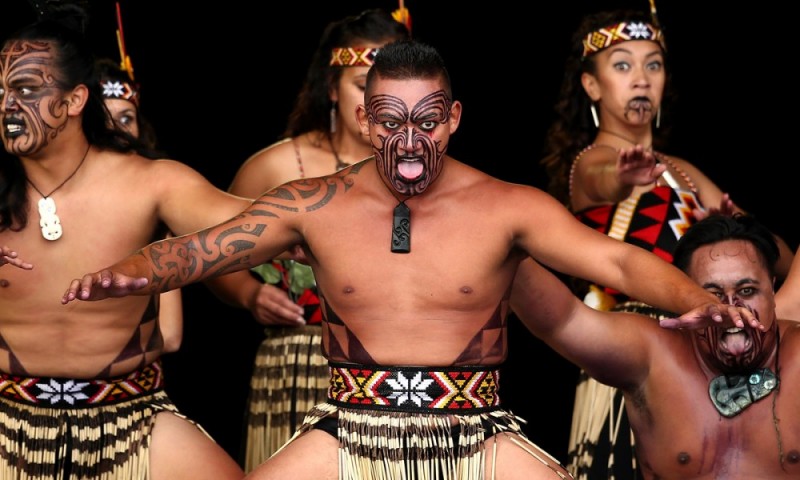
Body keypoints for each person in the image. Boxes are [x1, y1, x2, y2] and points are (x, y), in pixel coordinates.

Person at [62, 39, 756, 480]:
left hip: (475, 435)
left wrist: (699, 302)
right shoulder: (314, 201)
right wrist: (134, 272)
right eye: (391, 122)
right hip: (347, 431)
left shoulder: (505, 206)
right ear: (366, 121)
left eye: (427, 122)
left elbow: (622, 265)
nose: (410, 142)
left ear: (454, 118)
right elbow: (206, 249)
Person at [538, 8, 795, 478]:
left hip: (704, 355)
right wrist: (622, 176)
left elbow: (777, 258)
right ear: (592, 85)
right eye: (622, 65)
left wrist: (740, 236)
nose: (640, 78)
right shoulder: (590, 162)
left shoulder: (683, 171)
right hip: (634, 357)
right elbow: (602, 181)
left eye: (652, 64)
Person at [0, 5, 248, 478]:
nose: (7, 106)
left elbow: (263, 227)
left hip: (132, 418)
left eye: (26, 90)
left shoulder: (152, 183)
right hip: (6, 419)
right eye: (0, 91)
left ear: (74, 101)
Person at [203, 8, 410, 470]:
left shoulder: (423, 167)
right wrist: (250, 293)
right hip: (299, 365)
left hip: (398, 367)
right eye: (364, 83)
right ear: (332, 88)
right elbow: (213, 257)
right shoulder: (275, 167)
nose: (380, 99)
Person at [511, 213, 797, 479]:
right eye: (711, 295)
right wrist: (501, 241)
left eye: (747, 291)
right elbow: (562, 320)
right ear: (685, 297)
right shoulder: (652, 355)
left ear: (772, 289)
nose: (731, 309)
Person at [94, 57, 184, 354]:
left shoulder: (155, 203)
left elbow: (170, 335)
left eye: (125, 118)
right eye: (102, 119)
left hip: (128, 380)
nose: (116, 131)